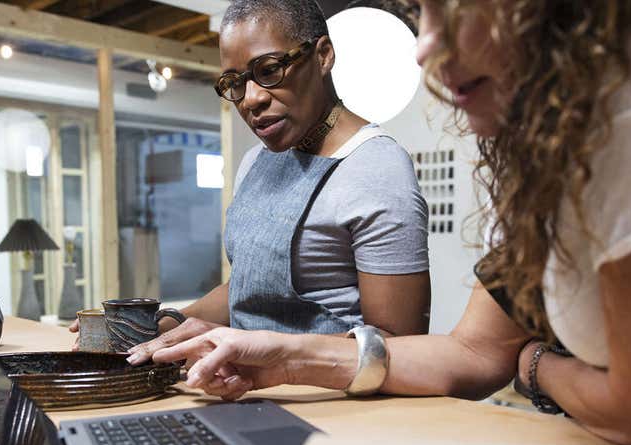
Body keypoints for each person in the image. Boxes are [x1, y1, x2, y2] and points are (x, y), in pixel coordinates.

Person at [143, 0, 631, 445]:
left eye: (453, 9)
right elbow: (478, 351)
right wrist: (278, 356)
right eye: (235, 83)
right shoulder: (542, 162)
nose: (423, 48)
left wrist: (534, 365)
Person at [77, 0, 432, 351]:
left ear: (323, 55)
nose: (251, 99)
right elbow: (246, 289)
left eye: (269, 70)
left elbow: (398, 342)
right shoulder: (255, 162)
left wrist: (261, 351)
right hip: (242, 388)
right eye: (235, 83)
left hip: (332, 402)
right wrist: (158, 327)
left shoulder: (375, 166)